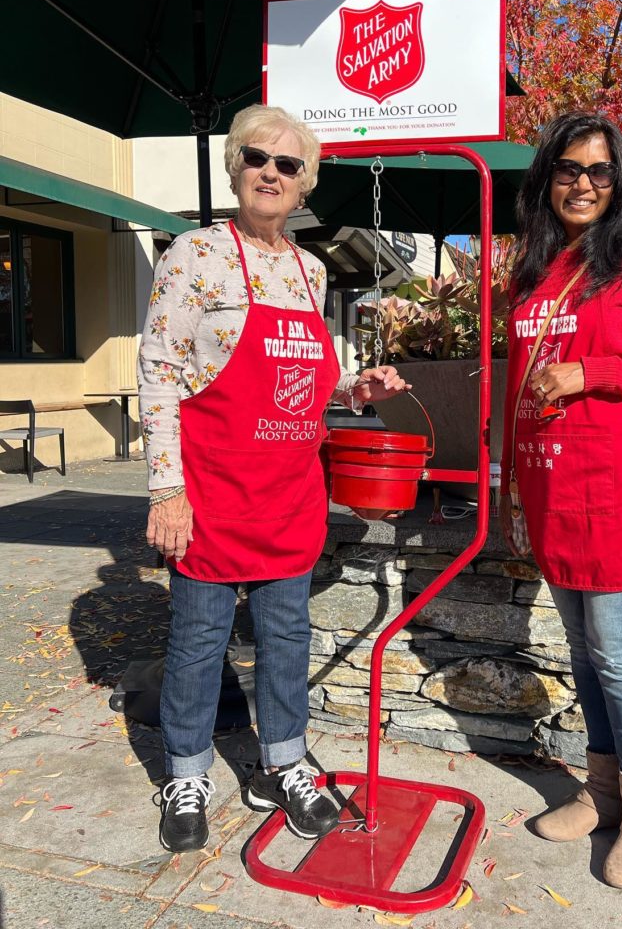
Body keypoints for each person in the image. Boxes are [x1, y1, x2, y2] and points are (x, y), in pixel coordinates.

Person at [138, 103, 409, 853]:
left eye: (287, 165)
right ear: (236, 166)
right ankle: (186, 772)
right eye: (258, 158)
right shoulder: (192, 255)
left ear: (303, 183)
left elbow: (305, 383)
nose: (270, 173)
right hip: (214, 490)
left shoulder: (308, 268)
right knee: (199, 639)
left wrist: (356, 394)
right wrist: (167, 490)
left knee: (288, 637)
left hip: (289, 491)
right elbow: (158, 376)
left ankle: (281, 765)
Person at [499, 112, 622, 890]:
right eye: (566, 169)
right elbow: (512, 392)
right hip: (551, 484)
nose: (581, 184)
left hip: (620, 486)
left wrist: (593, 373)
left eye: (598, 172)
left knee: (617, 654)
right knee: (582, 652)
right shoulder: (529, 275)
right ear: (545, 178)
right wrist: (509, 487)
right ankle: (604, 789)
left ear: (616, 184)